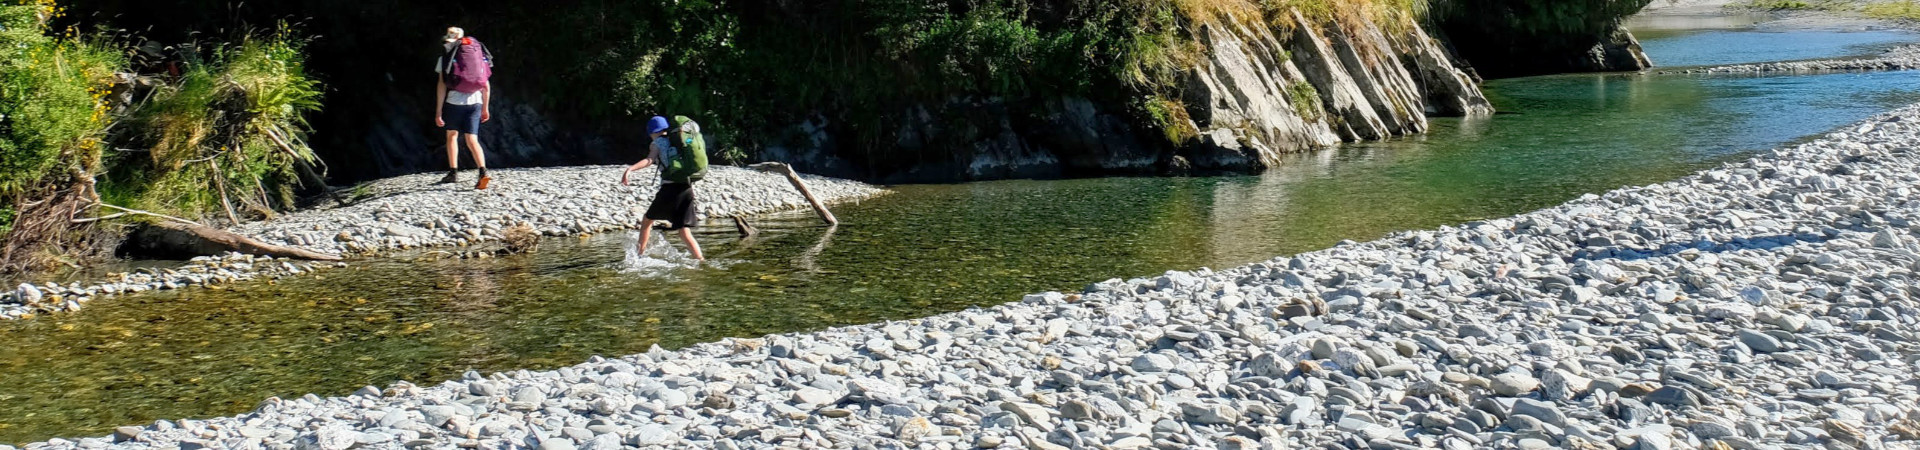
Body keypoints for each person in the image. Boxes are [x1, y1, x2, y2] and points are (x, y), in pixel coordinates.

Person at [619, 116, 705, 261]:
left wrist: (630, 169)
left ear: (651, 132)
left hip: (670, 189)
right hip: (687, 187)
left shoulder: (657, 143)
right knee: (683, 230)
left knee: (647, 221)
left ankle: (638, 256)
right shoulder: (679, 140)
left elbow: (649, 160)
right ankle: (700, 259)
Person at [434, 26, 494, 189]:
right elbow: (485, 85)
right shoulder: (476, 54)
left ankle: (453, 173)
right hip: (475, 102)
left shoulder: (445, 56)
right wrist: (485, 108)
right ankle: (483, 172)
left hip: (454, 102)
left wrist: (438, 111)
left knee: (452, 136)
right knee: (472, 139)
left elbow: (442, 85)